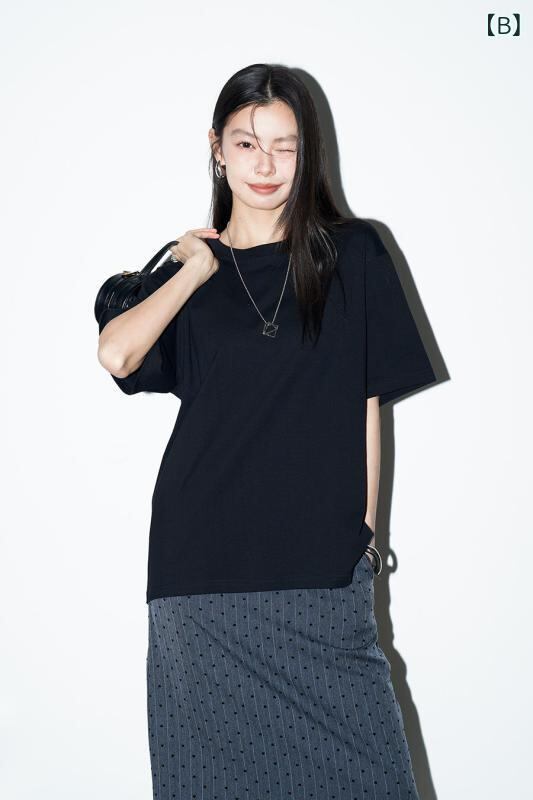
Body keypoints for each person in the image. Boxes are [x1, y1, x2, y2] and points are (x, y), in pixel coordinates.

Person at [97, 63, 436, 800]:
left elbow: (367, 405)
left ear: (307, 153)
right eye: (247, 144)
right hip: (202, 569)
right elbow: (116, 355)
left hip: (321, 565)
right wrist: (196, 269)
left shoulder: (355, 254)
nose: (266, 164)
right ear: (216, 148)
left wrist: (366, 541)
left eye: (285, 146)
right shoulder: (190, 277)